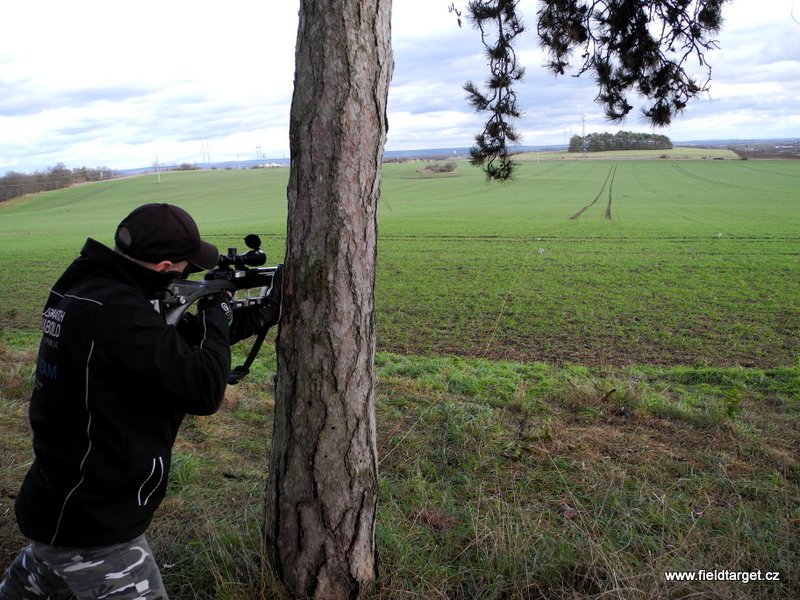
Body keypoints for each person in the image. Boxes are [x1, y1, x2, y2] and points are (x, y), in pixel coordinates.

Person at [0, 203, 282, 599]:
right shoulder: (119, 312)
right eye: (184, 267)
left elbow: (165, 346)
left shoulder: (86, 286)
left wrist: (256, 315)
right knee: (64, 557)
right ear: (164, 267)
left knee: (47, 567)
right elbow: (204, 390)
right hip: (94, 522)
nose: (187, 273)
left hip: (60, 494)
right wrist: (216, 307)